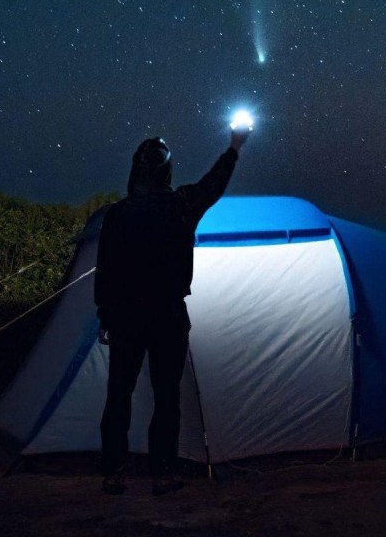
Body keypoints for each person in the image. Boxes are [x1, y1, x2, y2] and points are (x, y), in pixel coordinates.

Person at [94, 125, 251, 495]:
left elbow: (107, 270)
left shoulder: (118, 215)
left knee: (119, 394)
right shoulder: (181, 205)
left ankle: (114, 471)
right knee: (166, 398)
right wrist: (233, 148)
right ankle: (162, 472)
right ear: (167, 170)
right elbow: (213, 184)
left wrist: (106, 318)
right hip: (168, 316)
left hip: (126, 318)